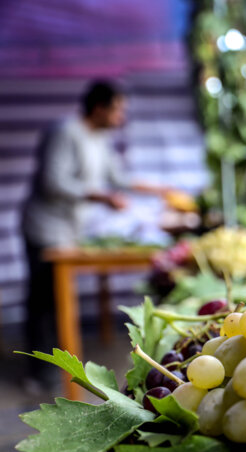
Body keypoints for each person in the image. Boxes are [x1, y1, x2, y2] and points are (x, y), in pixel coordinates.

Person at [21, 80, 165, 385]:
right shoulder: (65, 132)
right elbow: (54, 182)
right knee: (43, 300)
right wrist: (102, 197)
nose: (120, 118)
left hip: (69, 229)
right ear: (100, 108)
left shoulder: (100, 139)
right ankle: (38, 373)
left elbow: (117, 178)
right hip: (45, 227)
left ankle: (58, 364)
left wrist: (158, 189)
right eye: (118, 110)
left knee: (58, 299)